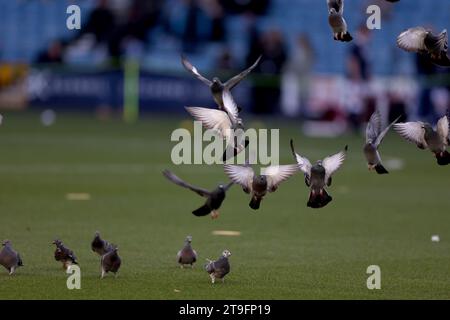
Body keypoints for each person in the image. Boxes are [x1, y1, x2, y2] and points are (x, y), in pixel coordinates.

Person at [281, 34, 315, 117]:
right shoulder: (296, 52)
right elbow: (290, 65)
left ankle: (303, 115)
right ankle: (294, 114)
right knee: (295, 98)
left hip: (304, 78)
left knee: (303, 97)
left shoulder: (309, 53)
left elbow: (305, 66)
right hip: (295, 79)